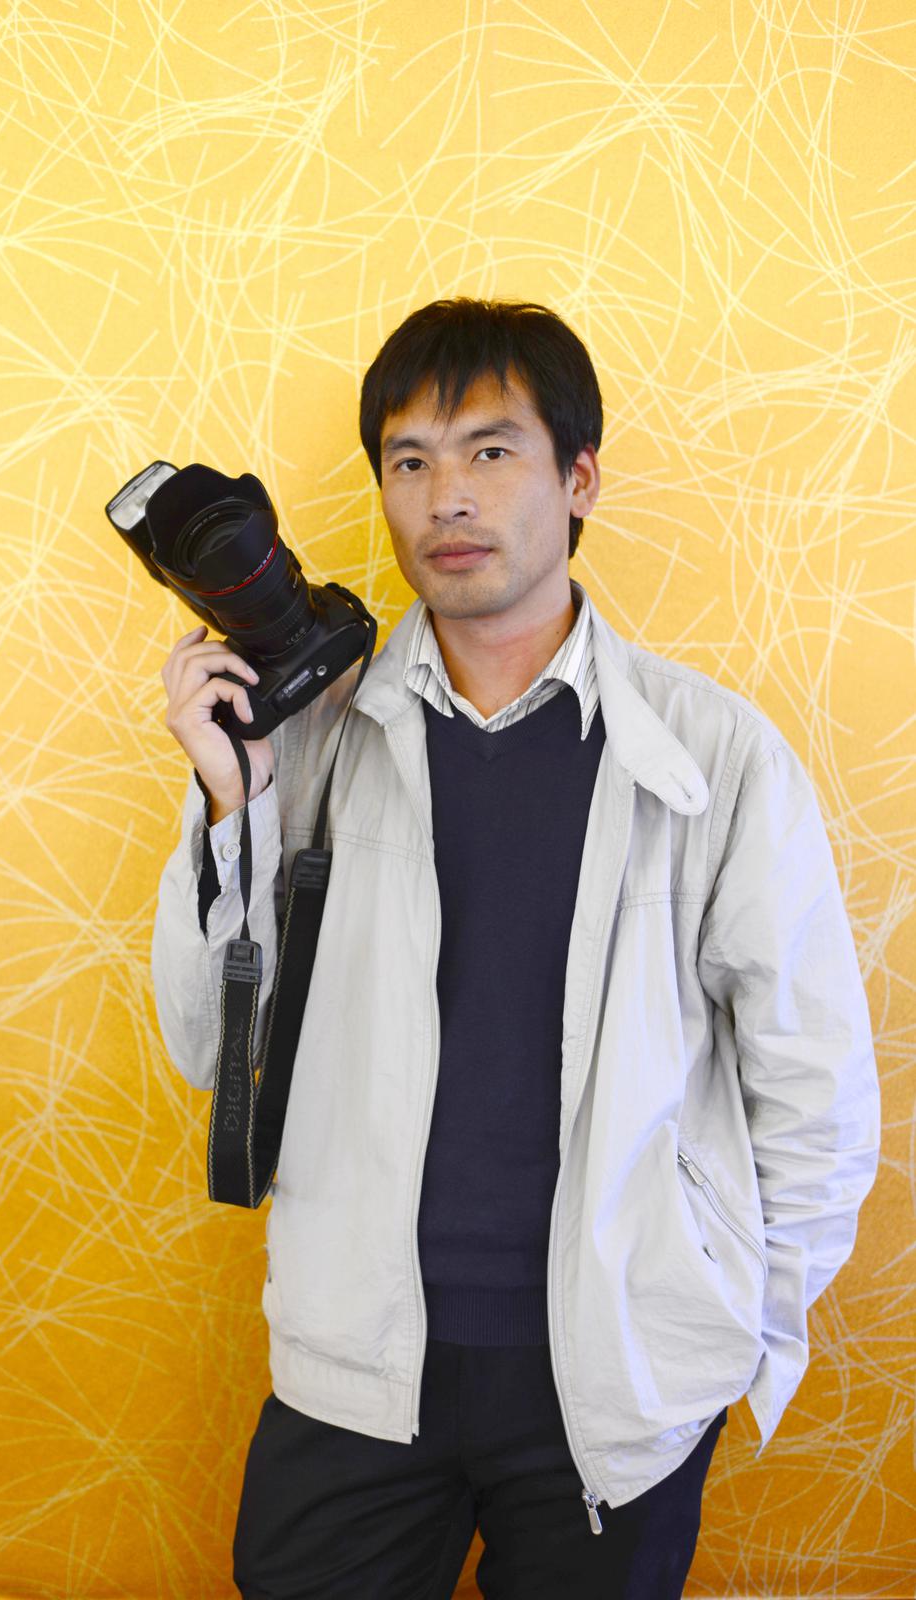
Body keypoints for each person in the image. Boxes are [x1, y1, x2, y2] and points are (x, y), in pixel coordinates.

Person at [152, 299, 880, 1599]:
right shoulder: (310, 738)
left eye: (491, 451)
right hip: (356, 1361)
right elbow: (214, 1047)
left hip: (615, 1370)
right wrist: (231, 803)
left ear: (578, 477)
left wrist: (737, 1327)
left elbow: (812, 1083)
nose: (447, 495)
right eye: (409, 459)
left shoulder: (712, 756)